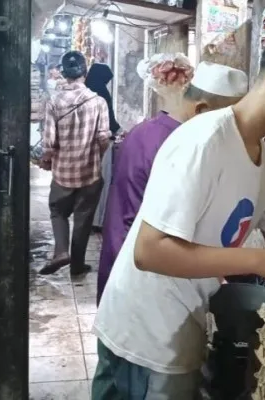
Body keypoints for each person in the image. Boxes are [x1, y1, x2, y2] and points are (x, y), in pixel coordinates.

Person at [93, 22, 265, 399]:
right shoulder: (204, 141)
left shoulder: (264, 165)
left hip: (179, 324)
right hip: (144, 334)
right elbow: (149, 251)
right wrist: (262, 262)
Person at [95, 61, 248, 306]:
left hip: (118, 252)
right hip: (146, 275)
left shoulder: (142, 131)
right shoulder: (184, 146)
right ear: (201, 110)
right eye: (230, 123)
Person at [38, 51, 111, 276]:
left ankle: (61, 251)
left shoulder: (53, 101)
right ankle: (77, 265)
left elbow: (49, 143)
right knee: (83, 219)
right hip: (90, 174)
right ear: (85, 73)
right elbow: (103, 138)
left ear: (63, 73)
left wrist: (46, 160)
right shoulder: (98, 101)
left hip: (63, 174)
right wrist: (93, 156)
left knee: (58, 211)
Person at [85, 63, 121, 234]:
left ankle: (85, 219)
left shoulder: (84, 91)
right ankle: (98, 220)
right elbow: (109, 120)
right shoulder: (102, 93)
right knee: (101, 180)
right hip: (101, 143)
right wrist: (119, 131)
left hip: (84, 144)